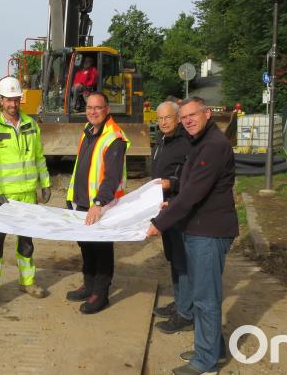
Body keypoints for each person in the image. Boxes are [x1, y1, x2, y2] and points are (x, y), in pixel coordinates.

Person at [146, 97, 238, 375]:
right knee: (203, 294)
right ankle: (212, 350)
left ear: (207, 113)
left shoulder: (212, 146)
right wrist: (170, 205)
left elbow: (191, 193)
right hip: (199, 227)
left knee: (205, 298)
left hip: (209, 232)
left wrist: (159, 223)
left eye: (192, 115)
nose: (187, 120)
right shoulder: (200, 142)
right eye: (183, 117)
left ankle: (205, 363)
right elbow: (188, 188)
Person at [0, 76, 51, 304]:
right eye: (8, 100)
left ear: (21, 99)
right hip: (1, 198)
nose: (12, 104)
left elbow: (39, 157)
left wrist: (45, 183)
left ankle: (27, 282)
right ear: (0, 101)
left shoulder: (31, 124)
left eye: (16, 99)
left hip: (28, 195)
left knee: (27, 243)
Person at [65, 92, 128, 314]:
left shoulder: (114, 138)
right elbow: (81, 167)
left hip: (102, 205)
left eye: (97, 108)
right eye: (89, 107)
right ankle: (88, 285)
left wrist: (98, 203)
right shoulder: (88, 131)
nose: (92, 111)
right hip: (83, 202)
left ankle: (100, 294)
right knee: (86, 246)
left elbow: (112, 177)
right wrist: (71, 198)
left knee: (101, 248)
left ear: (107, 109)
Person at [150, 101, 193, 335]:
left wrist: (172, 183)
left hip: (179, 209)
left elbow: (191, 179)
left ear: (177, 118)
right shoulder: (162, 141)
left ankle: (186, 313)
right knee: (174, 259)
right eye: (160, 119)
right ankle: (180, 302)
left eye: (167, 118)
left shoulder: (185, 143)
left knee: (182, 261)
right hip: (165, 208)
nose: (163, 122)